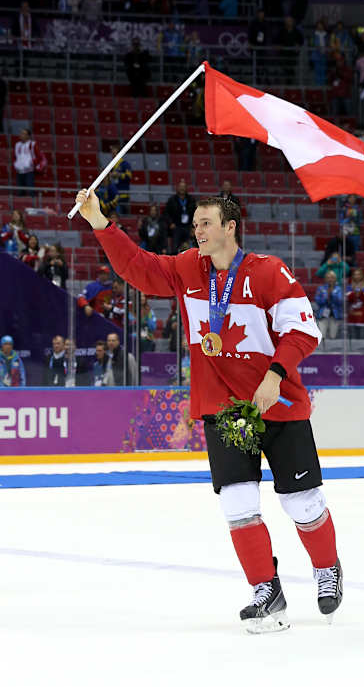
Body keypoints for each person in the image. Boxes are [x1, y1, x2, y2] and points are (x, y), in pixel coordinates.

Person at [75, 188, 343, 632]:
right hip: (222, 408)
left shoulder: (269, 273)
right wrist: (100, 221)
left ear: (230, 227)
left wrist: (275, 375)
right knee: (238, 503)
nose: (197, 230)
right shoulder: (187, 269)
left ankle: (326, 567)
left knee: (302, 502)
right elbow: (138, 268)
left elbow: (304, 331)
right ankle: (266, 590)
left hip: (276, 402)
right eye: (195, 223)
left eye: (206, 223)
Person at [164, 179, 196, 253]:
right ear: (177, 188)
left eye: (184, 187)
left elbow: (196, 214)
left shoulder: (191, 200)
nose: (182, 188)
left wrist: (193, 227)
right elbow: (166, 214)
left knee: (189, 248)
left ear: (186, 188)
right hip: (176, 227)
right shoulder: (172, 200)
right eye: (180, 187)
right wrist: (170, 223)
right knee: (175, 248)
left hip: (188, 226)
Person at [314, 270, 343, 343]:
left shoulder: (339, 289)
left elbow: (340, 301)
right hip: (323, 315)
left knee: (333, 336)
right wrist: (326, 297)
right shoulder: (321, 289)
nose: (330, 279)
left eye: (332, 277)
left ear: (335, 279)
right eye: (328, 277)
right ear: (325, 279)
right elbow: (318, 301)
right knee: (321, 335)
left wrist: (332, 294)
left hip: (335, 315)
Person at [13, 128, 43, 196]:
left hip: (29, 171)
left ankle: (32, 204)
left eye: (24, 134)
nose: (21, 135)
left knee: (30, 191)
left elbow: (39, 156)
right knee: (20, 192)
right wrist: (15, 164)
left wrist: (30, 163)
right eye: (21, 133)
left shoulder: (33, 144)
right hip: (19, 171)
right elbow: (15, 156)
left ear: (28, 136)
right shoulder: (17, 145)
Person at [346, 269, 364, 339]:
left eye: (359, 274)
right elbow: (348, 298)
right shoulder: (349, 286)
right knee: (352, 337)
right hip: (352, 315)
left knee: (362, 338)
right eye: (355, 274)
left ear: (362, 276)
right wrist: (354, 293)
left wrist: (360, 293)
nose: (357, 276)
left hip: (362, 315)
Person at [110, 143, 132, 215]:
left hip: (123, 195)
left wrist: (119, 175)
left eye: (114, 152)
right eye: (112, 152)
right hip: (114, 195)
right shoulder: (111, 165)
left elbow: (129, 177)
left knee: (123, 216)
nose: (113, 154)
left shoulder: (124, 164)